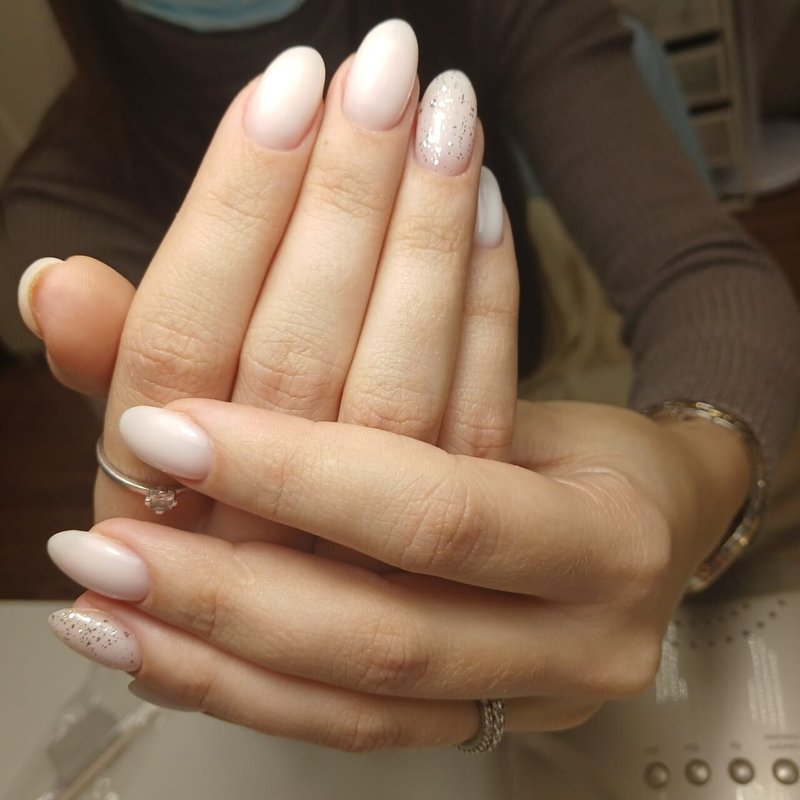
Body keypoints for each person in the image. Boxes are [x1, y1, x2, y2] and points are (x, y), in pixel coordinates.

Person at [11, 3, 800, 757]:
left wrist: (690, 478)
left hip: (540, 408)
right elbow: (201, 511)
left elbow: (704, 276)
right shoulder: (61, 194)